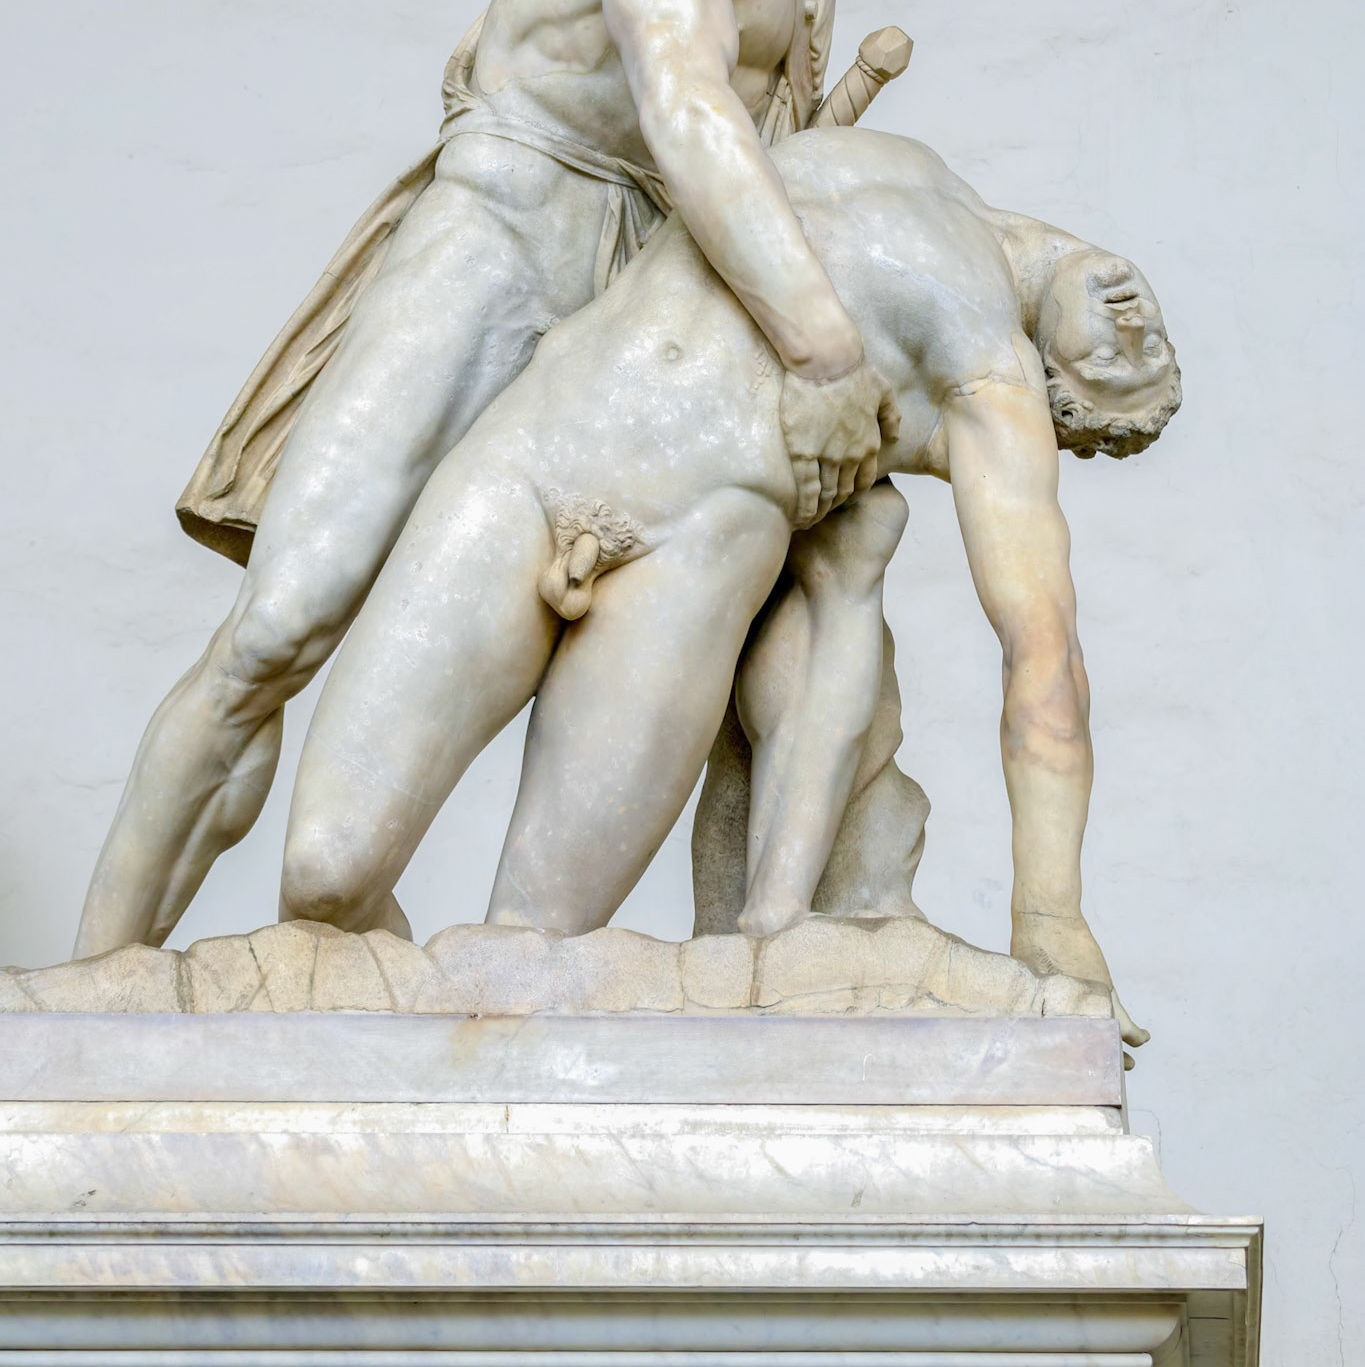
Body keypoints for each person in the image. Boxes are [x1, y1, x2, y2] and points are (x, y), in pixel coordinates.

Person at [74, 0, 983, 957]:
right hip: (507, 231)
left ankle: (764, 946)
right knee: (286, 621)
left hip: (650, 290)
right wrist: (822, 344)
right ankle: (91, 981)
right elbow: (680, 99)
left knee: (772, 594)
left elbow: (747, 158)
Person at [277, 125, 1179, 1045]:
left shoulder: (991, 388)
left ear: (1060, 393)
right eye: (1154, 352)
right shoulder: (894, 153)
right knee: (322, 877)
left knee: (525, 957)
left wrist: (1049, 918)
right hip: (531, 462)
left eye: (1116, 371)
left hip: (685, 566)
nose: (1137, 332)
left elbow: (1043, 653)